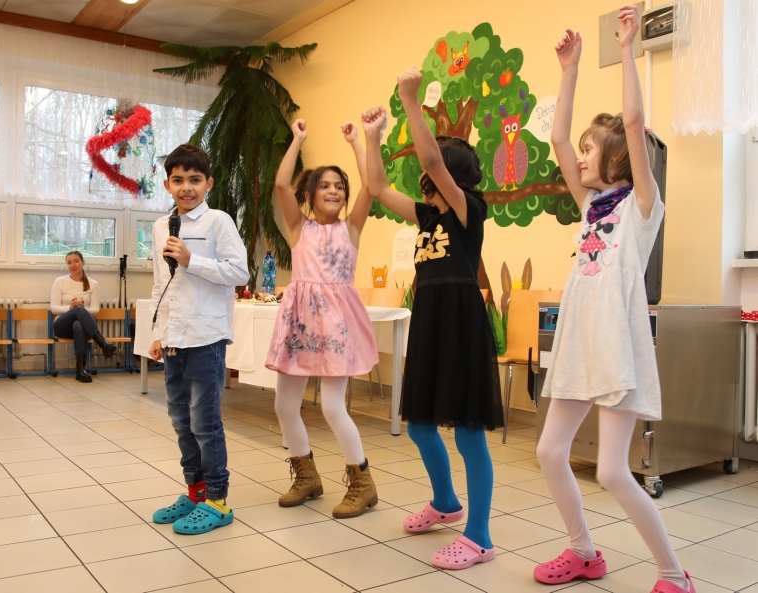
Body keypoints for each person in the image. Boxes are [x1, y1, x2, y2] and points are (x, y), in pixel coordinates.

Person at [534, 8, 694, 593]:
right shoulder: (589, 206)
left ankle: (674, 574)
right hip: (580, 344)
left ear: (619, 158)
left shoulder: (642, 206)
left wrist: (627, 47)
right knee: (550, 452)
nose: (578, 157)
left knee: (611, 471)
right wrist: (569, 69)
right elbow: (556, 138)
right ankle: (583, 552)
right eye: (581, 151)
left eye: (590, 150)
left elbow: (633, 120)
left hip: (618, 348)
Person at [362, 69, 503, 570]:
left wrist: (409, 99)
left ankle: (479, 536)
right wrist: (372, 137)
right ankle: (445, 502)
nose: (425, 178)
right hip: (429, 321)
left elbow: (430, 159)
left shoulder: (470, 210)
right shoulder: (426, 216)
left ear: (450, 175)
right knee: (421, 426)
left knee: (468, 434)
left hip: (461, 326)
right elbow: (377, 186)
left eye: (435, 172)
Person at [266, 118, 380, 519]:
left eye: (339, 186)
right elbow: (282, 184)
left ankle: (362, 482)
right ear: (310, 195)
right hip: (300, 327)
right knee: (284, 405)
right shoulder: (300, 227)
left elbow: (371, 187)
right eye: (325, 185)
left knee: (332, 406)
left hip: (335, 329)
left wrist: (356, 143)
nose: (334, 190)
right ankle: (306, 476)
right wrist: (298, 139)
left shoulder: (352, 228)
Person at [148, 144, 249, 535]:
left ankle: (218, 501)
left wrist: (193, 260)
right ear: (167, 185)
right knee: (180, 421)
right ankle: (196, 492)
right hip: (174, 337)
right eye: (178, 180)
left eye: (194, 180)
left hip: (206, 336)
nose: (186, 188)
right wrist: (157, 333)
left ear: (208, 183)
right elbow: (160, 283)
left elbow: (239, 272)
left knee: (204, 422)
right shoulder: (161, 226)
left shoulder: (218, 221)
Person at [50, 251, 117, 383]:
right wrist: (71, 307)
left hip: (80, 327)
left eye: (76, 261)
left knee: (78, 325)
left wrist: (80, 309)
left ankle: (80, 370)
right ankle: (103, 343)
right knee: (79, 310)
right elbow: (54, 308)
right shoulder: (59, 282)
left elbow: (95, 310)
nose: (73, 265)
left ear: (83, 262)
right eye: (69, 262)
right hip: (62, 325)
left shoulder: (93, 284)